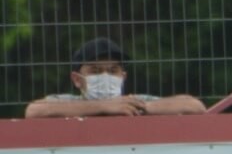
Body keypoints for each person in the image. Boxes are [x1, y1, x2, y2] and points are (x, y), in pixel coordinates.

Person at [25, 38, 206, 119]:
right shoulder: (69, 103)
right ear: (77, 79)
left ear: (123, 77)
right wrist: (103, 107)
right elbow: (33, 111)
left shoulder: (134, 102)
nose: (105, 76)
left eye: (113, 71)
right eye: (95, 71)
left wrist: (141, 108)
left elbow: (195, 106)